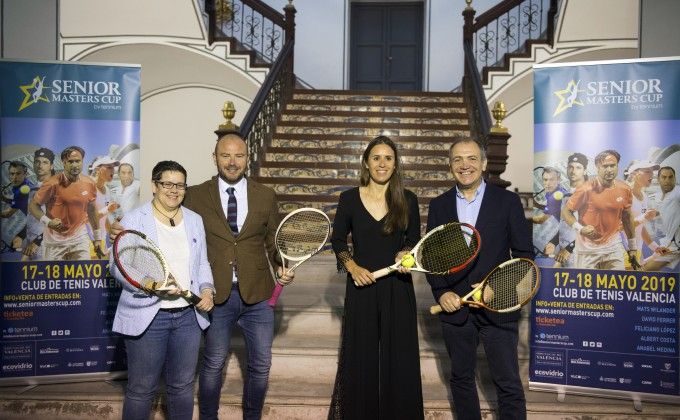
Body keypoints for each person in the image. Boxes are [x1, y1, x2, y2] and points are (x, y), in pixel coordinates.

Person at [182, 132, 294, 420]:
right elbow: (173, 227)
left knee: (261, 365)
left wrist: (281, 264)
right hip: (215, 294)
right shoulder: (195, 195)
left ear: (248, 158)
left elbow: (274, 241)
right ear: (214, 158)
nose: (232, 162)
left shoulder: (265, 195)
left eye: (239, 156)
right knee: (213, 363)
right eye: (225, 155)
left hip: (258, 294)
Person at [426, 137, 531, 420]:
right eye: (457, 159)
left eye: (472, 158)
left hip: (498, 307)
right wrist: (441, 293)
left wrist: (497, 287)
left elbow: (524, 255)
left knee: (507, 382)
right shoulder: (439, 205)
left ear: (483, 163)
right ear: (450, 166)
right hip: (456, 308)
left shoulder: (508, 202)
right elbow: (431, 257)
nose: (465, 165)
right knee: (461, 379)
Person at [111, 160, 215, 420]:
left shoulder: (194, 220)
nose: (174, 190)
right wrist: (150, 284)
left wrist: (207, 289)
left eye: (180, 185)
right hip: (148, 315)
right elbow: (118, 265)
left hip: (188, 318)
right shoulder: (134, 219)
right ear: (154, 186)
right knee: (141, 389)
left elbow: (202, 263)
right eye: (167, 184)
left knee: (182, 387)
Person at [328, 136, 423, 420]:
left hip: (398, 287)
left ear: (395, 165)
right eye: (376, 158)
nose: (382, 163)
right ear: (366, 163)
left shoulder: (408, 199)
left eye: (388, 158)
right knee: (361, 358)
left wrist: (405, 254)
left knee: (400, 358)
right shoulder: (348, 198)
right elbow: (338, 241)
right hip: (362, 286)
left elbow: (413, 240)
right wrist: (352, 267)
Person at [561, 149, 637, 270]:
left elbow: (627, 217)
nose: (609, 170)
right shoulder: (585, 189)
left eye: (612, 166)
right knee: (584, 283)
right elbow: (565, 212)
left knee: (617, 282)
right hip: (587, 251)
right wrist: (581, 229)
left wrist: (632, 247)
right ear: (597, 168)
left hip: (613, 248)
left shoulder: (625, 189)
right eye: (605, 166)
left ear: (617, 166)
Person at [29, 146, 104, 260]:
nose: (75, 165)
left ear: (82, 161)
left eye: (77, 161)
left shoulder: (89, 183)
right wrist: (48, 222)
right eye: (70, 161)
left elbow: (92, 210)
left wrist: (97, 238)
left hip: (79, 239)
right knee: (52, 273)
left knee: (83, 271)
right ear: (64, 163)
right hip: (54, 242)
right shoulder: (51, 183)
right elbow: (33, 206)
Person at [553, 153, 589, 267]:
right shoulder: (566, 194)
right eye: (571, 167)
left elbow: (592, 229)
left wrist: (569, 248)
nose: (573, 171)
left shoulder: (589, 194)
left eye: (578, 167)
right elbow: (564, 225)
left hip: (582, 254)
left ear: (585, 171)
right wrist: (553, 242)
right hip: (563, 253)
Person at [643, 166, 680, 271]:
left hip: (675, 246)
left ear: (675, 179)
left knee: (645, 269)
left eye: (670, 177)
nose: (667, 180)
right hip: (667, 244)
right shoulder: (657, 198)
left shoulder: (677, 193)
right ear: (658, 179)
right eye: (664, 177)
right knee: (643, 266)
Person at [22, 147, 56, 260]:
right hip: (30, 243)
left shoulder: (56, 188)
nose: (40, 165)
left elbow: (59, 221)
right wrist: (20, 236)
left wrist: (37, 241)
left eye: (45, 162)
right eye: (37, 161)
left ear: (52, 166)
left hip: (47, 244)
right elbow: (31, 219)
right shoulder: (32, 189)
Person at [625, 161, 660, 269]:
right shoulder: (624, 194)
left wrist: (655, 248)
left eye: (652, 172)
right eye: (647, 171)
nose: (652, 174)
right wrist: (643, 218)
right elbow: (619, 227)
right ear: (634, 174)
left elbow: (641, 227)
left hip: (637, 250)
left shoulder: (644, 196)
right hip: (623, 249)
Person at [531, 166, 567, 257]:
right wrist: (537, 205)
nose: (548, 183)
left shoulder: (554, 197)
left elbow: (540, 220)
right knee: (549, 249)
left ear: (558, 180)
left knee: (552, 254)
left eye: (551, 180)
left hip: (573, 231)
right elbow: (554, 209)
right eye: (545, 180)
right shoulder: (558, 190)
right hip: (567, 228)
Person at [92, 156, 120, 257]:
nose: (113, 170)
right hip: (87, 241)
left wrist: (114, 235)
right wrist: (107, 209)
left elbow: (105, 218)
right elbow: (85, 218)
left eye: (113, 167)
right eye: (109, 167)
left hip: (101, 241)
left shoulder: (107, 190)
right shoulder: (88, 188)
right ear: (98, 170)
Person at [1, 161, 33, 250]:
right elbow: (19, 202)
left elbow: (7, 214)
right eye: (12, 174)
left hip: (40, 221)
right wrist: (3, 198)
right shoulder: (25, 184)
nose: (14, 177)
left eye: (18, 174)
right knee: (17, 241)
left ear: (25, 174)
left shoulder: (22, 190)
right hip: (33, 218)